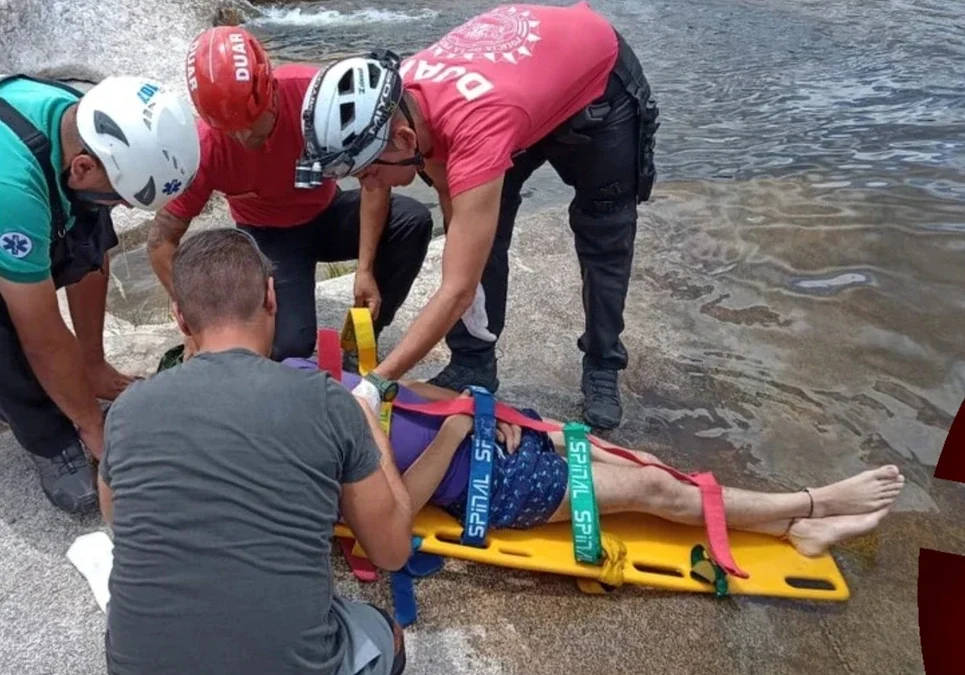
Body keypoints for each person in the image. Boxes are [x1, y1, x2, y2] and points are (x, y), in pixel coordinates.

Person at [299, 2, 661, 430]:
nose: (372, 185)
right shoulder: (397, 101)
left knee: (603, 231)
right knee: (473, 234)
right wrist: (365, 268)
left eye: (372, 172)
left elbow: (457, 288)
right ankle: (473, 362)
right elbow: (450, 227)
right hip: (522, 87)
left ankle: (602, 362)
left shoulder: (475, 128)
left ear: (404, 138)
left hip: (599, 87)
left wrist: (376, 383)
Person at [97, 228, 413, 675]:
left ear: (180, 318)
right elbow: (393, 552)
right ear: (271, 296)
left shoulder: (127, 410)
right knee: (383, 631)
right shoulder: (326, 402)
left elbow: (116, 519)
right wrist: (368, 423)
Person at [284, 357, 907, 560]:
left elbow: (398, 390)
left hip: (487, 428)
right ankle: (813, 503)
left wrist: (479, 405)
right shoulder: (309, 458)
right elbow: (395, 511)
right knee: (648, 489)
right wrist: (456, 435)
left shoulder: (297, 372)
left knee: (637, 458)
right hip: (491, 481)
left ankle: (787, 526)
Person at [146, 26, 434, 363]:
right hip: (270, 237)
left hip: (328, 212)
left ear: (271, 92)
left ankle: (362, 339)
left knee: (412, 221)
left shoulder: (315, 96)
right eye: (230, 129)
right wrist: (196, 328)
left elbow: (374, 173)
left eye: (252, 121)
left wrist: (365, 268)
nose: (243, 136)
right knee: (289, 347)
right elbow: (160, 242)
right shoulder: (206, 147)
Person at [0, 72, 200, 514]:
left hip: (41, 190)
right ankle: (49, 439)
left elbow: (89, 248)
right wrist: (93, 426)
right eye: (124, 198)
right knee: (10, 340)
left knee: (89, 214)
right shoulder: (10, 187)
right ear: (84, 167)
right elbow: (43, 337)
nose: (127, 208)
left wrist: (90, 363)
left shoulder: (84, 121)